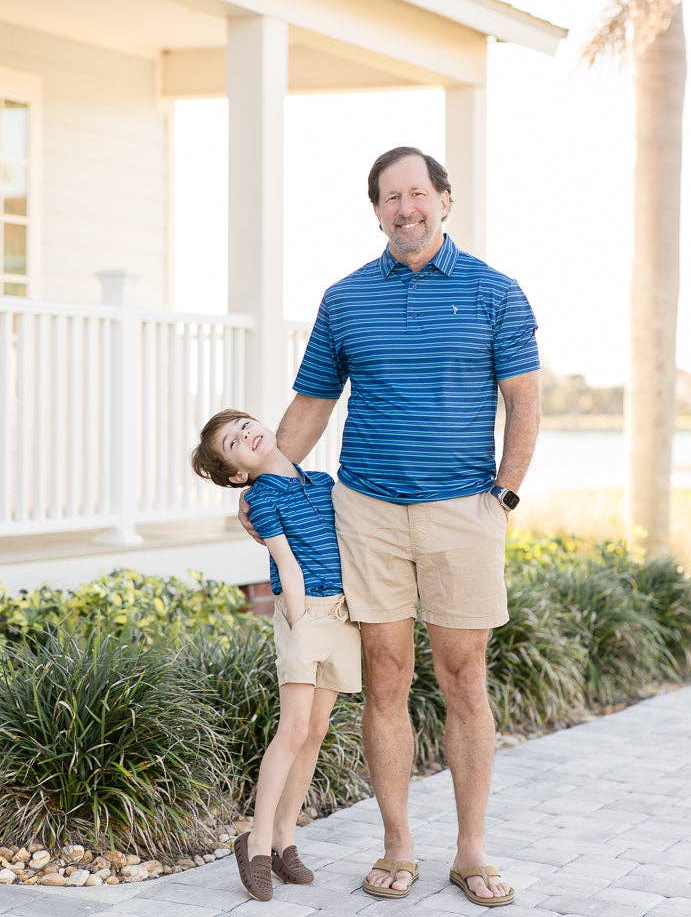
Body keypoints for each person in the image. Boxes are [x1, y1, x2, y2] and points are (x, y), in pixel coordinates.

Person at [239, 145, 540, 907]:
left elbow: (524, 403)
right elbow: (311, 405)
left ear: (444, 199)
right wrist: (261, 481)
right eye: (389, 197)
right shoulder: (344, 299)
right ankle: (398, 844)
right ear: (375, 210)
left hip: (462, 511)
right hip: (366, 512)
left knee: (465, 678)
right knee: (385, 679)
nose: (405, 208)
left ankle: (471, 850)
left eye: (417, 193)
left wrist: (502, 495)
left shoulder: (496, 292)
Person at [192, 409, 362, 903]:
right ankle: (258, 844)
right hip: (303, 613)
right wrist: (300, 619)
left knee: (315, 732)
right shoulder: (262, 498)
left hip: (344, 613)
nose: (247, 433)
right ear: (239, 473)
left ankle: (287, 838)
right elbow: (286, 563)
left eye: (246, 424)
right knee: (291, 731)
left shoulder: (323, 481)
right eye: (234, 441)